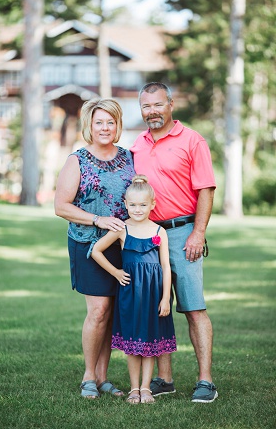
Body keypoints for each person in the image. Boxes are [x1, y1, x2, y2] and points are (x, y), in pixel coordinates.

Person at [131, 82, 218, 403]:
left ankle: (206, 380)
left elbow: (206, 189)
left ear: (170, 104)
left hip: (183, 233)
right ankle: (164, 379)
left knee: (193, 307)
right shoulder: (136, 144)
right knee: (157, 309)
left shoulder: (193, 140)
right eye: (145, 106)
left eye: (157, 105)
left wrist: (198, 232)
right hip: (148, 235)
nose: (151, 112)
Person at [54, 98, 136, 399]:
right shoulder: (77, 160)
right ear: (90, 125)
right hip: (87, 244)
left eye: (111, 122)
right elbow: (61, 206)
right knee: (99, 310)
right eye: (99, 122)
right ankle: (88, 376)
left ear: (118, 125)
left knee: (113, 312)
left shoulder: (129, 158)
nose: (105, 127)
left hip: (123, 246)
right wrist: (98, 219)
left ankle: (103, 378)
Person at [92, 175, 177, 405]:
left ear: (152, 204)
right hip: (131, 295)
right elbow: (96, 251)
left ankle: (146, 388)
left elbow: (166, 267)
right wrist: (116, 272)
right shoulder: (122, 229)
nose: (137, 209)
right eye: (132, 205)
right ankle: (134, 389)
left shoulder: (159, 231)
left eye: (142, 205)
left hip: (153, 295)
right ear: (125, 204)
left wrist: (166, 298)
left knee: (150, 342)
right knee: (133, 343)